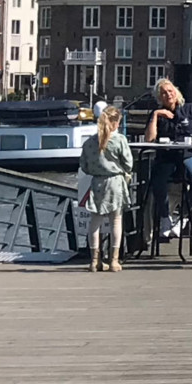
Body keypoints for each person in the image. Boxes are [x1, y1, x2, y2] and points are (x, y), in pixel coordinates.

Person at [143, 79, 192, 244]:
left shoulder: (190, 110)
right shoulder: (158, 113)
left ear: (176, 91)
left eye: (170, 91)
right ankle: (164, 217)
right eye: (163, 93)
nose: (168, 94)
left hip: (189, 154)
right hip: (167, 157)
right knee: (158, 181)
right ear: (159, 97)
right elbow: (149, 139)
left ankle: (183, 218)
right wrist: (156, 115)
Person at [79, 102, 135, 272]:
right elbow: (128, 163)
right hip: (115, 182)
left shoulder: (90, 142)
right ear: (116, 122)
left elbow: (84, 165)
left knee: (95, 221)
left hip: (97, 182)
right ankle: (114, 260)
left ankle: (94, 260)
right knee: (115, 221)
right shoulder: (119, 140)